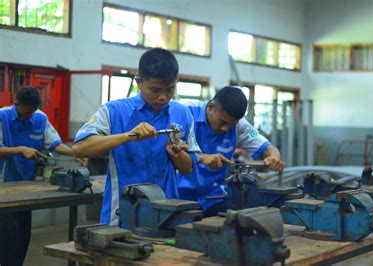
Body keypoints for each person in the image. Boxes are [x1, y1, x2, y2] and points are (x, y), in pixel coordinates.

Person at [72, 48, 200, 225]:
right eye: (155, 89)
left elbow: (188, 168)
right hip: (122, 214)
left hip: (167, 214)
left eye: (170, 89)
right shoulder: (113, 111)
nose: (163, 97)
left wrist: (176, 153)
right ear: (139, 82)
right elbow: (79, 148)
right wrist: (128, 136)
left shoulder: (183, 114)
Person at [0, 86, 87, 266]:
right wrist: (20, 149)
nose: (30, 115)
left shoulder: (40, 118)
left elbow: (54, 143)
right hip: (3, 187)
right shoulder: (2, 117)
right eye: (27, 111)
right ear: (17, 103)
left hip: (27, 187)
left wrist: (74, 153)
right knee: (7, 232)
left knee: (22, 235)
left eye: (33, 111)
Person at [178, 86, 285, 217]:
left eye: (231, 125)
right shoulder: (184, 114)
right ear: (211, 107)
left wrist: (274, 158)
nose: (225, 128)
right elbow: (170, 148)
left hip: (212, 199)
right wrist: (202, 157)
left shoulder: (239, 125)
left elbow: (270, 149)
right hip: (177, 197)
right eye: (222, 122)